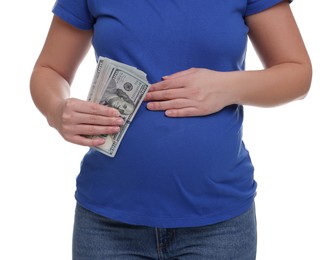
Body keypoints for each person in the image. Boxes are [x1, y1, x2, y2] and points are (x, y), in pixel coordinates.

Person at [30, 0, 312, 259]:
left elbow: (297, 73)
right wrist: (56, 109)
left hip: (218, 226)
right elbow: (50, 69)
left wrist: (226, 87)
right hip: (107, 224)